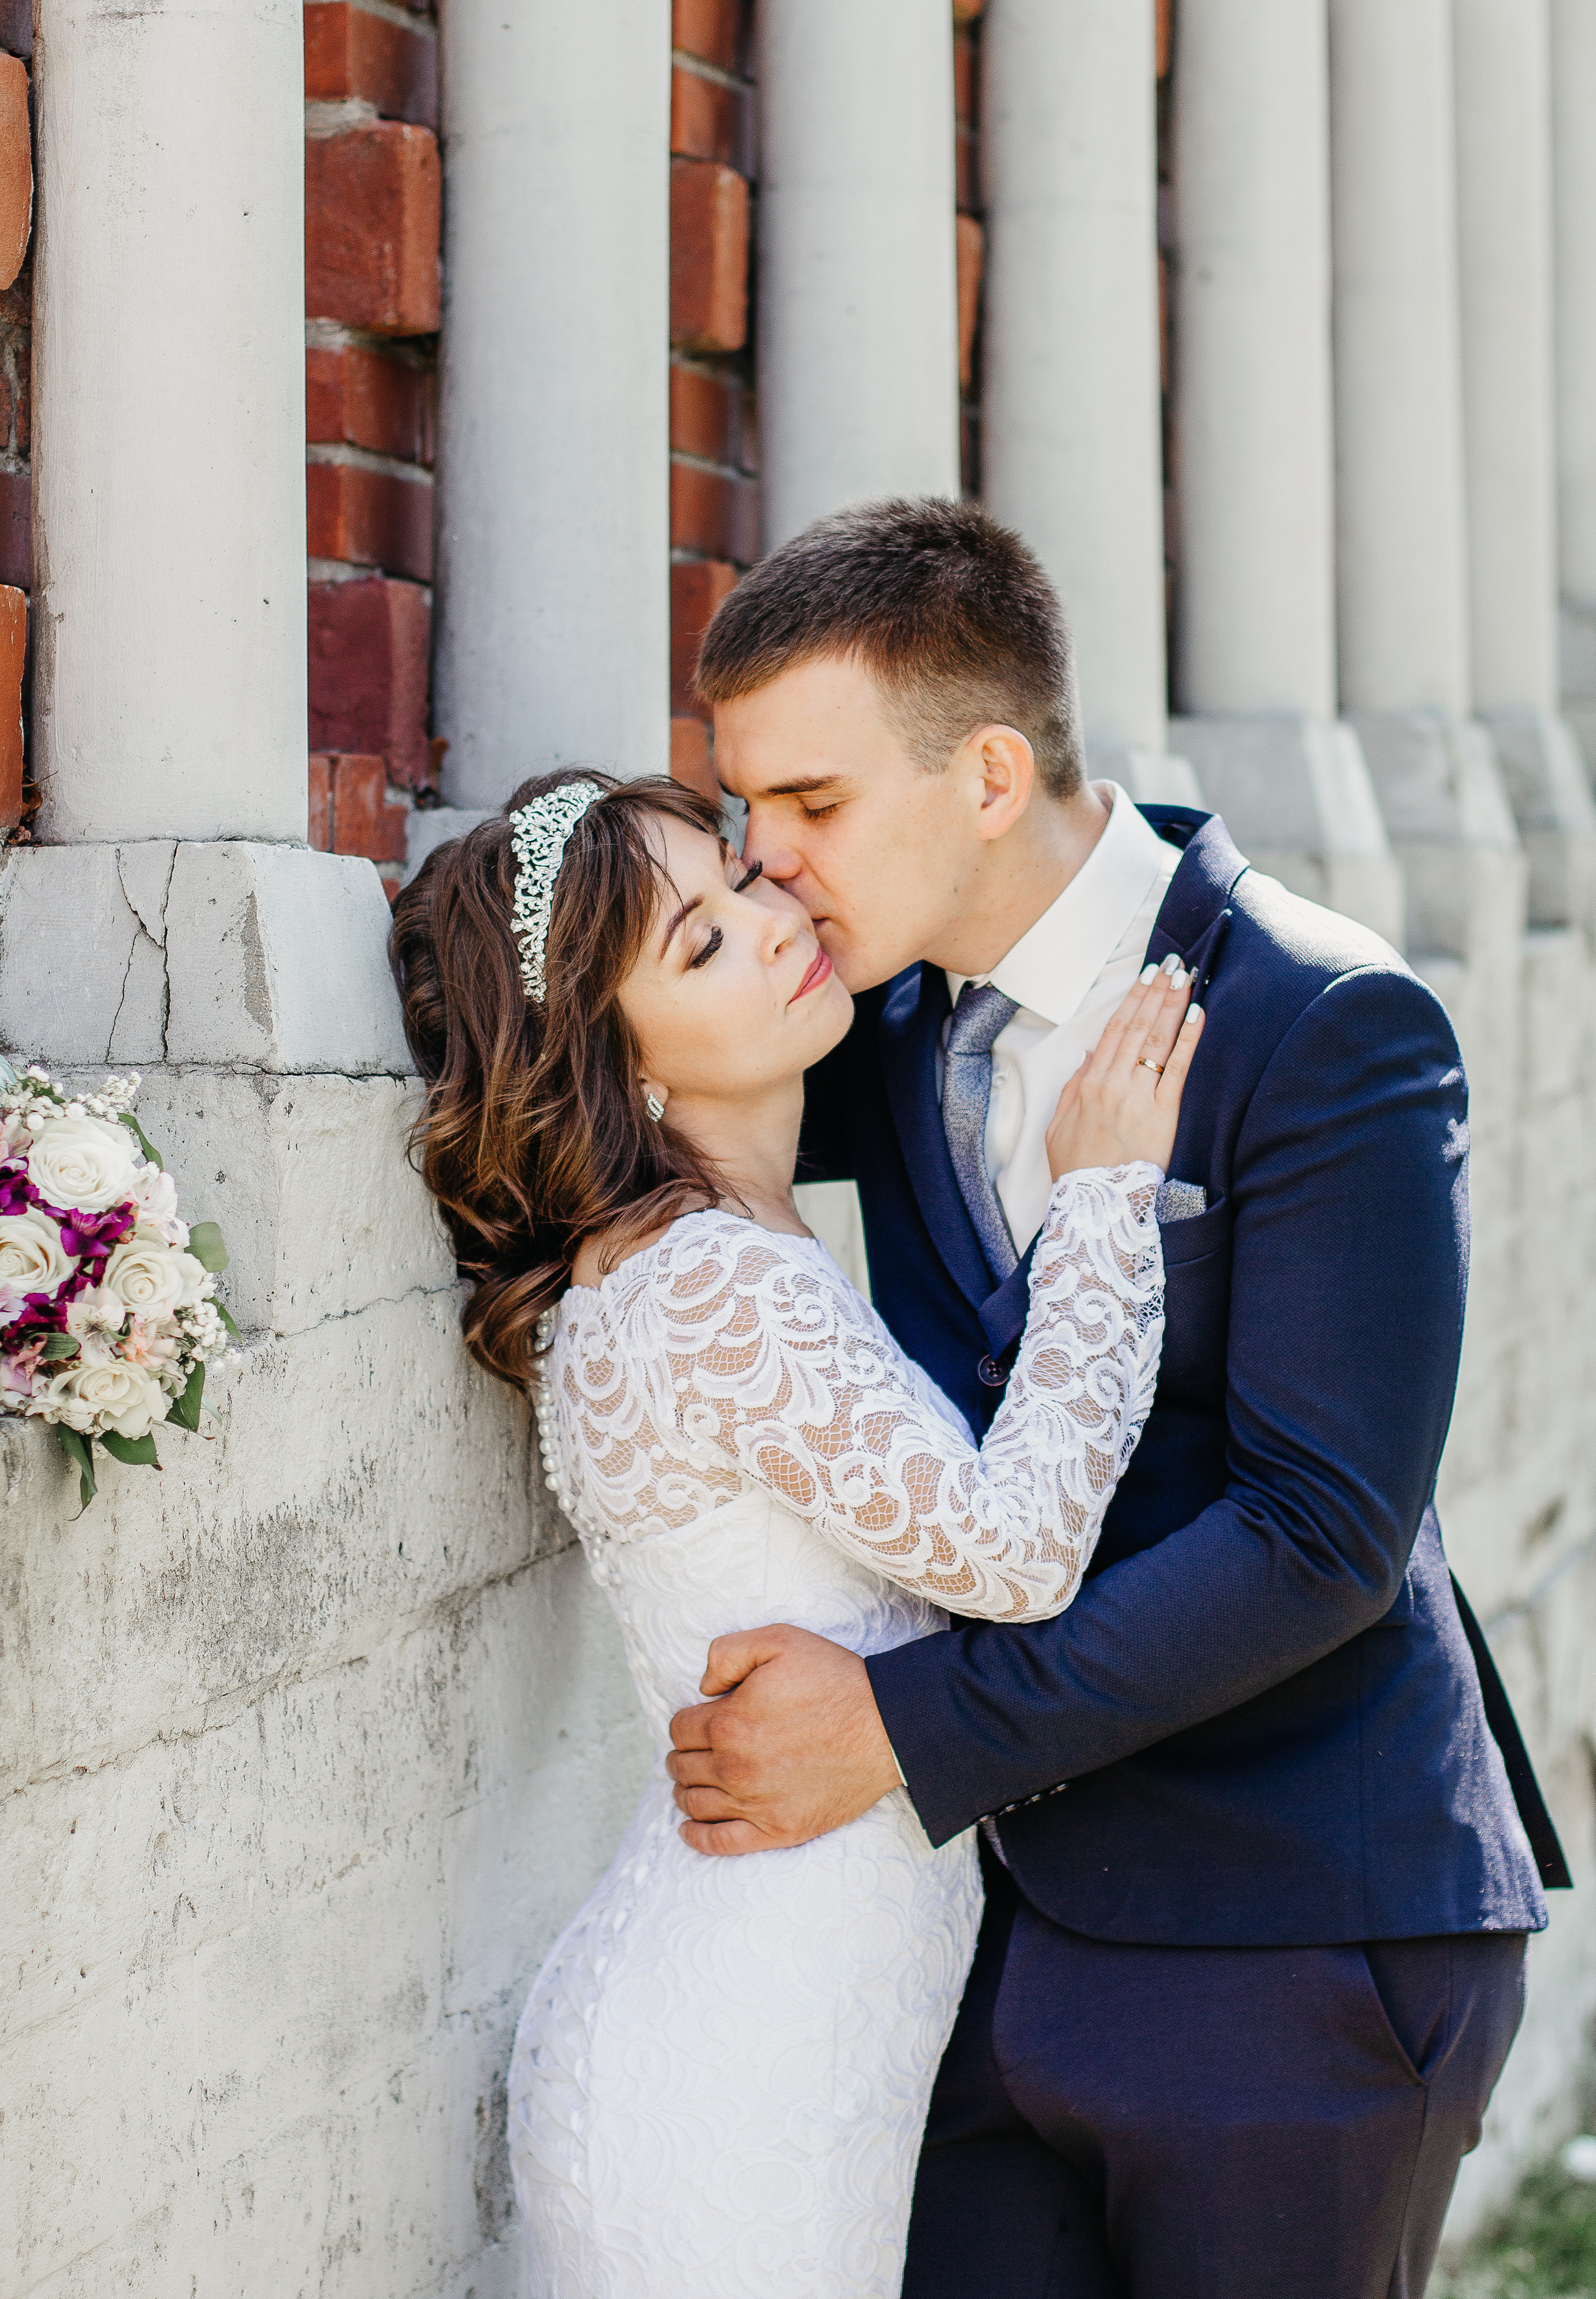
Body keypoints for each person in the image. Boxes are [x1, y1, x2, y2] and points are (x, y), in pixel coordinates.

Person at [668, 496, 1567, 2299]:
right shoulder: (879, 1017)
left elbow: (1319, 1539)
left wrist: (897, 1730)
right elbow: (639, 1059)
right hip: (986, 1950)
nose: (765, 864)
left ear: (990, 777)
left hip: (1296, 1933)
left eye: (811, 805)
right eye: (744, 809)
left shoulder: (1323, 1021)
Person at [388, 767, 1204, 2298]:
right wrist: (1100, 1197)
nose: (772, 924)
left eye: (739, 880)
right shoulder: (708, 1284)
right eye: (698, 945)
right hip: (742, 2065)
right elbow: (1014, 1552)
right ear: (615, 1064)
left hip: (781, 2020)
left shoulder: (712, 1246)